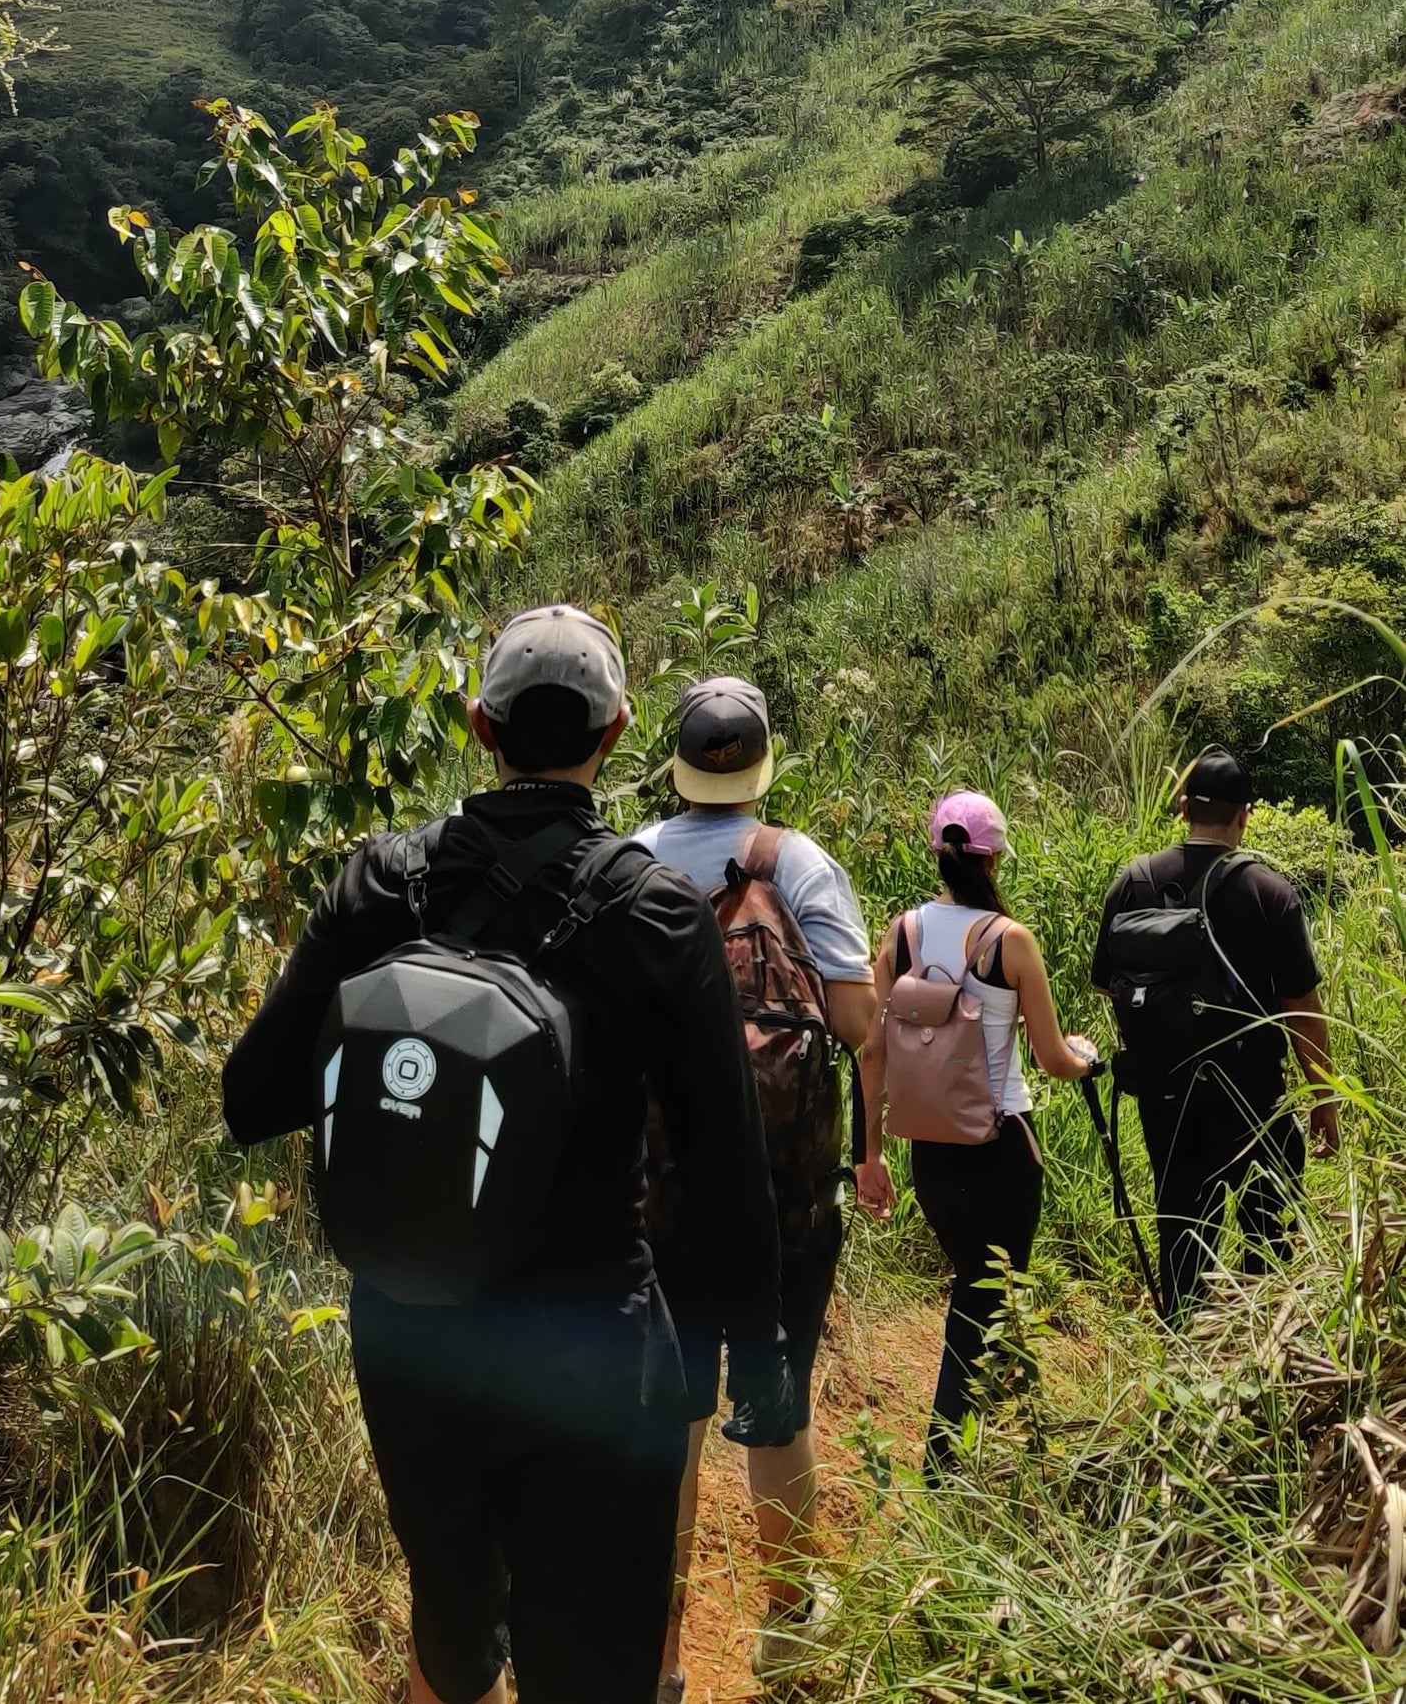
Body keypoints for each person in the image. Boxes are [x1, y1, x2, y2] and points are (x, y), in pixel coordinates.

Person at [223, 608, 791, 1704]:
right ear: (619, 729)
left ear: (478, 724)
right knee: (594, 1669)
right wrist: (760, 1363)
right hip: (594, 1346)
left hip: (411, 1341)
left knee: (452, 1636)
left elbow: (253, 1097)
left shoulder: (382, 883)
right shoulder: (657, 914)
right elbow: (728, 1176)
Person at [634, 677, 876, 1682]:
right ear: (763, 761)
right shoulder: (801, 864)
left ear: (675, 760)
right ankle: (783, 1626)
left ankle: (658, 1658)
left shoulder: (633, 862)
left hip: (660, 1196)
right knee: (779, 1398)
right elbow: (860, 1027)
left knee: (669, 1420)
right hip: (783, 1193)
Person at [857, 788, 1096, 1466]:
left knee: (980, 1288)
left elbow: (870, 1050)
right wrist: (1086, 1057)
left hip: (926, 1153)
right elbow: (1051, 1060)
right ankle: (944, 1460)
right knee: (986, 1296)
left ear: (937, 853)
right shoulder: (1008, 940)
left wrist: (868, 1155)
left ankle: (1003, 1435)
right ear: (992, 860)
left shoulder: (899, 933)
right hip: (1000, 1148)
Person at [1091, 747, 1338, 1317]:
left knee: (1181, 1231)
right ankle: (1261, 1364)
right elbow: (1301, 1006)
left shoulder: (1135, 882)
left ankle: (1181, 1355)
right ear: (1243, 815)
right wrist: (1323, 1098)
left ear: (1182, 808)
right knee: (1266, 1248)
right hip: (1254, 1099)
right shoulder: (1269, 893)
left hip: (1166, 1097)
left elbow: (1107, 985)